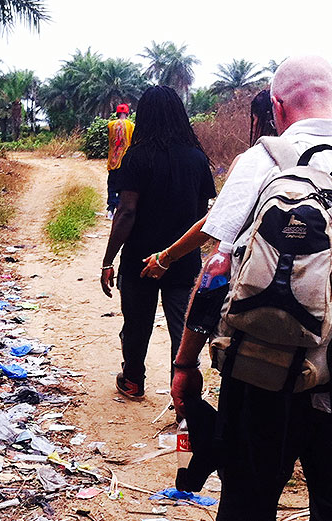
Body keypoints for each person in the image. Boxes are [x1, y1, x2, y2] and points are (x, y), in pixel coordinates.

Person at [170, 56, 332, 520]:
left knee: (247, 505)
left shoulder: (258, 162)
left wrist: (185, 362)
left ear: (277, 106)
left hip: (259, 374)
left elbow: (217, 270)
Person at [99, 86, 216, 399]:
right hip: (183, 258)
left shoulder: (136, 157)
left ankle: (133, 381)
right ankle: (183, 396)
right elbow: (201, 214)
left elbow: (125, 213)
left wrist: (108, 260)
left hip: (139, 259)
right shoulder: (196, 159)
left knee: (137, 325)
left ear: (144, 116)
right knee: (183, 331)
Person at [140, 89, 276, 279]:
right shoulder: (325, 155)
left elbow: (213, 223)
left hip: (252, 272)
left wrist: (165, 258)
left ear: (257, 118)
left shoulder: (252, 160)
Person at [105, 103, 134, 219]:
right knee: (123, 186)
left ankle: (111, 208)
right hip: (126, 161)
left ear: (117, 113)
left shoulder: (110, 125)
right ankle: (120, 209)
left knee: (112, 184)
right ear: (127, 113)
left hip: (113, 160)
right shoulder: (131, 125)